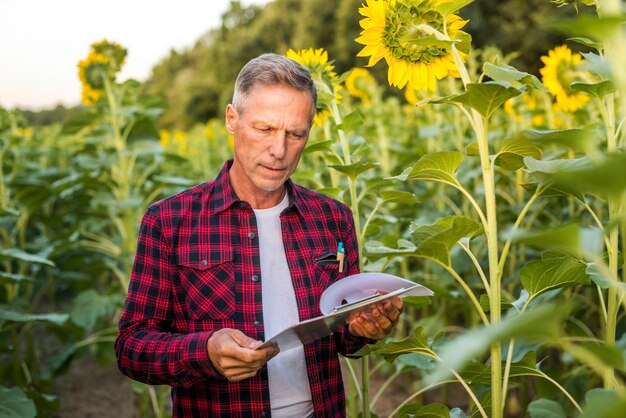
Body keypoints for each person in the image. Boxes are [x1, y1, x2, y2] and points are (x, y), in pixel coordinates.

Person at [115, 53, 403, 417]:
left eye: (295, 134)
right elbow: (132, 347)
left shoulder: (333, 219)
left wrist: (366, 326)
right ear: (232, 120)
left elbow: (344, 334)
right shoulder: (170, 222)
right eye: (264, 129)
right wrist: (204, 351)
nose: (279, 150)